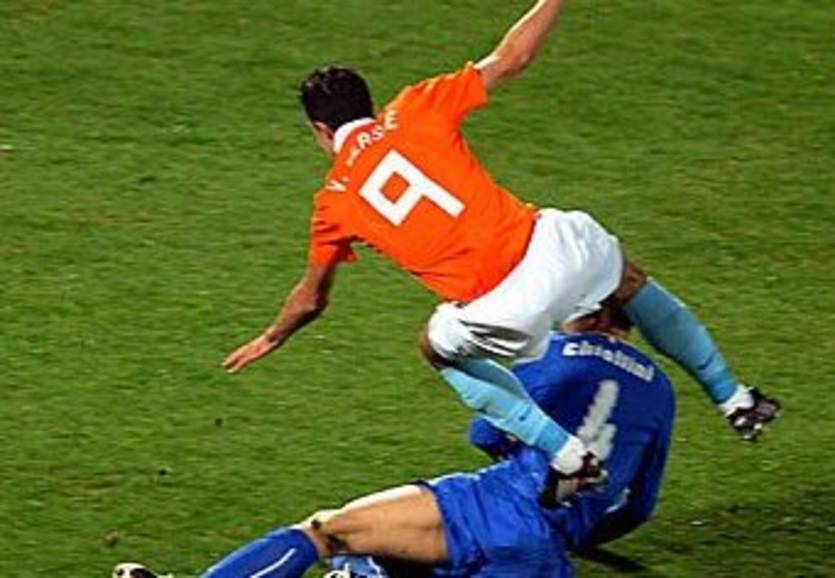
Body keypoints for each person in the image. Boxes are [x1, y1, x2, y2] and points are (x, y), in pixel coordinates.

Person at [222, 0, 779, 488]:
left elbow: (312, 299)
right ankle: (734, 397)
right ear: (368, 103)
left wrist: (272, 336)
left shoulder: (333, 202)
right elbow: (513, 58)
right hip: (561, 246)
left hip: (507, 306)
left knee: (436, 346)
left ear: (320, 131)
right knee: (629, 280)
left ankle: (566, 455)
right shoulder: (414, 106)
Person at [117, 309, 675, 578]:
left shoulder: (553, 353)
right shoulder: (662, 391)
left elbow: (486, 431)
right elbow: (640, 506)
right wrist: (575, 531)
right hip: (545, 556)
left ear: (586, 313)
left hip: (486, 508)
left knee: (328, 534)